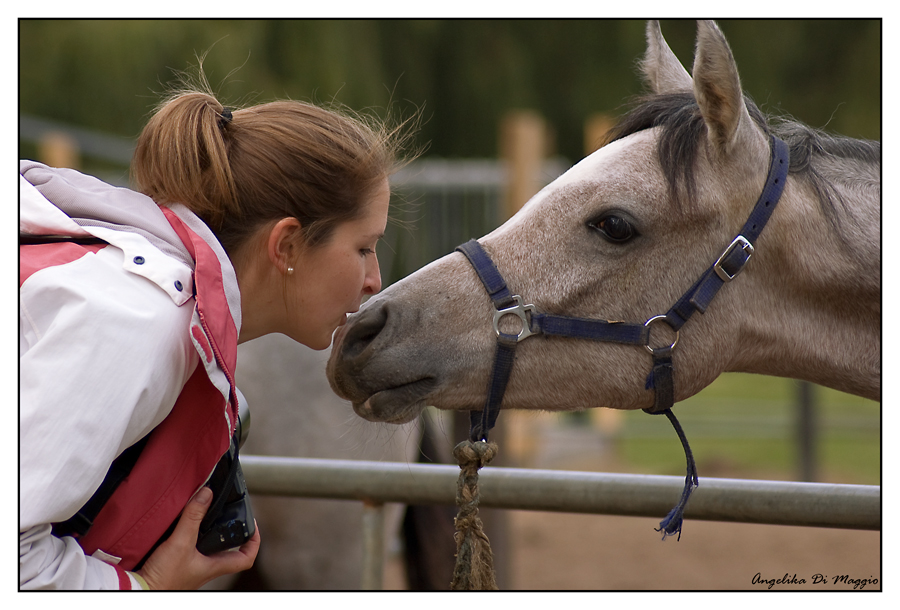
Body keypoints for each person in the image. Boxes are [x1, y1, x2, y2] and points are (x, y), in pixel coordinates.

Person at [19, 82, 416, 589]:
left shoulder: (156, 315)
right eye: (364, 247)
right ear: (287, 245)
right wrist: (145, 588)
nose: (374, 280)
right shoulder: (137, 324)